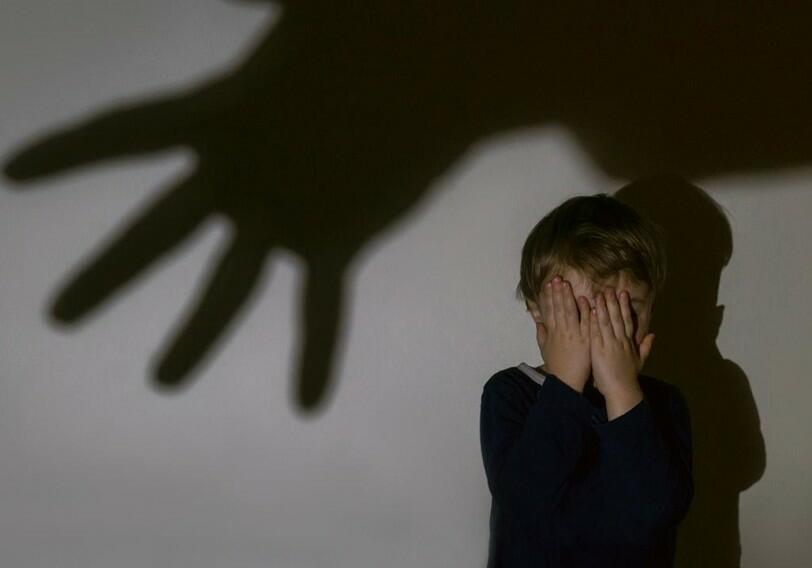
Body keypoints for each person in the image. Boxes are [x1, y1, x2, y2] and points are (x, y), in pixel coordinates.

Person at [480, 192, 693, 567]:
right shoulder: (510, 393)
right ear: (538, 312)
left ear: (652, 308)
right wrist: (564, 383)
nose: (603, 329)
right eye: (580, 311)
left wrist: (621, 390)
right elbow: (523, 507)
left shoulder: (663, 403)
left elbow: (658, 512)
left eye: (625, 310)